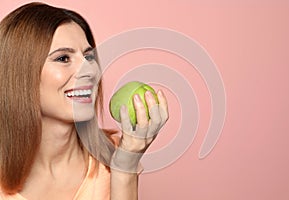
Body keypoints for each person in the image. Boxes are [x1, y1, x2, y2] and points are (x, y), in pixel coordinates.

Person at [0, 2, 168, 200]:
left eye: (89, 57)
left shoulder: (115, 154)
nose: (90, 71)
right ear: (18, 74)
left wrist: (125, 165)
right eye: (63, 58)